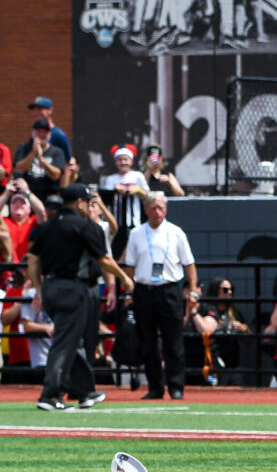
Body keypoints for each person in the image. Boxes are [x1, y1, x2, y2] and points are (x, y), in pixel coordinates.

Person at [28, 185, 133, 411]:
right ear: (79, 202)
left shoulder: (47, 226)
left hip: (51, 288)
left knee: (71, 340)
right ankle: (50, 395)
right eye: (87, 201)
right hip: (73, 290)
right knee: (64, 343)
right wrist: (124, 277)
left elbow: (33, 259)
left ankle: (85, 392)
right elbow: (104, 260)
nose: (89, 205)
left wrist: (38, 287)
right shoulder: (86, 227)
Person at [121, 191, 197, 400]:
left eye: (161, 207)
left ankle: (176, 386)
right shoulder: (136, 233)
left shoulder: (176, 232)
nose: (157, 211)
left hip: (169, 289)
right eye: (153, 207)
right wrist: (129, 292)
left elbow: (189, 263)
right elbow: (130, 266)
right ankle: (155, 387)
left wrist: (192, 290)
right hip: (144, 290)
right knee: (148, 341)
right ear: (146, 210)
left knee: (174, 340)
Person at [101, 145, 149, 258]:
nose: (123, 163)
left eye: (125, 159)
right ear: (115, 162)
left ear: (131, 161)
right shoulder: (111, 179)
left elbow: (147, 195)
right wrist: (115, 190)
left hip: (134, 221)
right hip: (116, 223)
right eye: (120, 160)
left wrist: (137, 190)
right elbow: (105, 199)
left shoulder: (138, 176)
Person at [15, 120, 66, 203]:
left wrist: (40, 158)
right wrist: (33, 153)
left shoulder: (57, 152)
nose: (41, 135)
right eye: (38, 132)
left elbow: (55, 175)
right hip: (26, 195)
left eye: (44, 132)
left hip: (49, 197)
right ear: (33, 133)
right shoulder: (23, 148)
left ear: (49, 134)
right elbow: (19, 169)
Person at [26, 97, 72, 162]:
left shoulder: (59, 135)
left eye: (39, 109)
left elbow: (67, 160)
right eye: (34, 110)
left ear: (50, 110)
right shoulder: (34, 134)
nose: (35, 113)